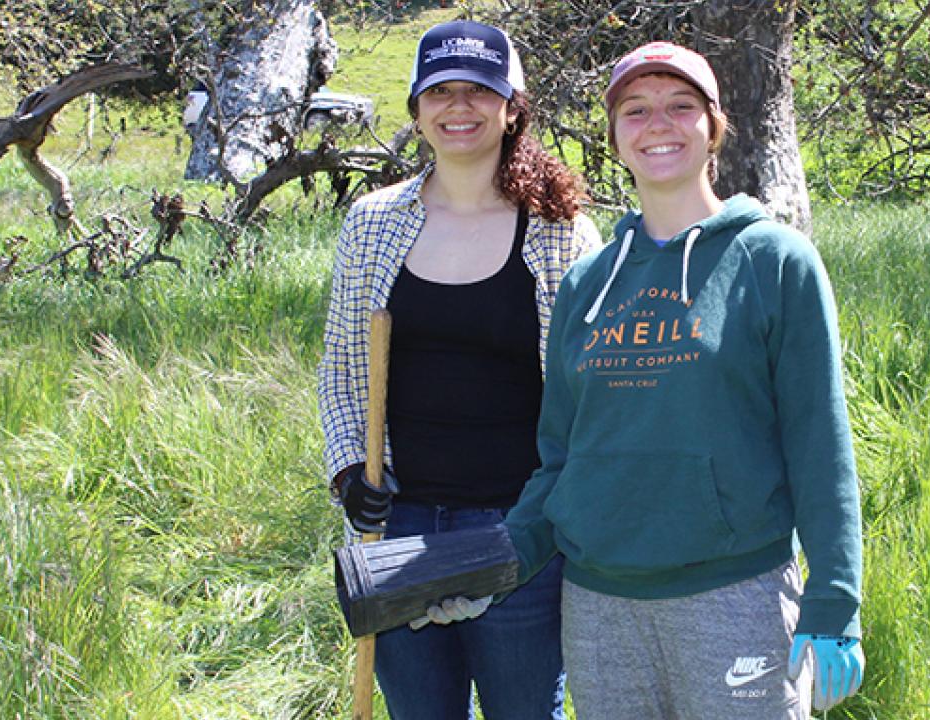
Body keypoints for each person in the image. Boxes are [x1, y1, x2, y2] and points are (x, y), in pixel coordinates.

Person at [492, 41, 866, 718]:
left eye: (680, 106)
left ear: (714, 127)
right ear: (613, 137)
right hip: (601, 608)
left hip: (735, 597)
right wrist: (502, 558)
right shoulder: (588, 284)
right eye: (635, 110)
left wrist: (834, 601)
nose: (657, 123)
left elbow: (820, 444)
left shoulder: (774, 260)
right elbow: (561, 459)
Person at [317, 19, 599, 720]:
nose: (459, 108)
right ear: (416, 111)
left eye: (479, 90)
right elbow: (343, 370)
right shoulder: (373, 223)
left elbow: (593, 392)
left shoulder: (560, 229)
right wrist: (352, 471)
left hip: (522, 535)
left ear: (512, 109)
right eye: (439, 91)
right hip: (398, 529)